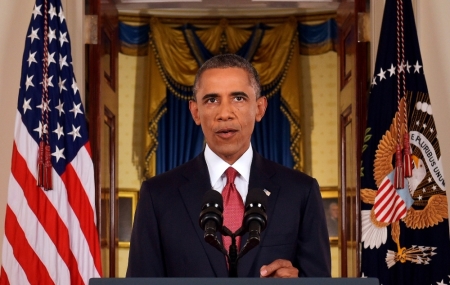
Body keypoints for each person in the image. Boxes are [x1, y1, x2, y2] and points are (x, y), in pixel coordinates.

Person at [126, 54, 331, 278]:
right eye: (212, 100)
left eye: (239, 98)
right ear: (195, 112)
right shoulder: (157, 196)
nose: (225, 114)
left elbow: (319, 280)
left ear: (260, 108)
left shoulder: (301, 192)